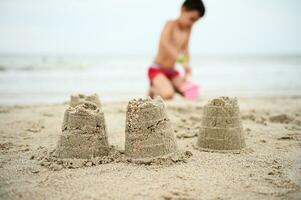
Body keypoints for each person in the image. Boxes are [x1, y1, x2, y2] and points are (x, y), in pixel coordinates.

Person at [148, 0, 205, 100]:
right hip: (157, 69)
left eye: (195, 21)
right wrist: (181, 60)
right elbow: (165, 43)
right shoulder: (170, 24)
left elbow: (186, 48)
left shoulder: (188, 28)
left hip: (172, 72)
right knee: (168, 95)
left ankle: (169, 84)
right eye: (191, 19)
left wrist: (187, 65)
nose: (192, 23)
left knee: (191, 93)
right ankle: (153, 88)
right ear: (183, 10)